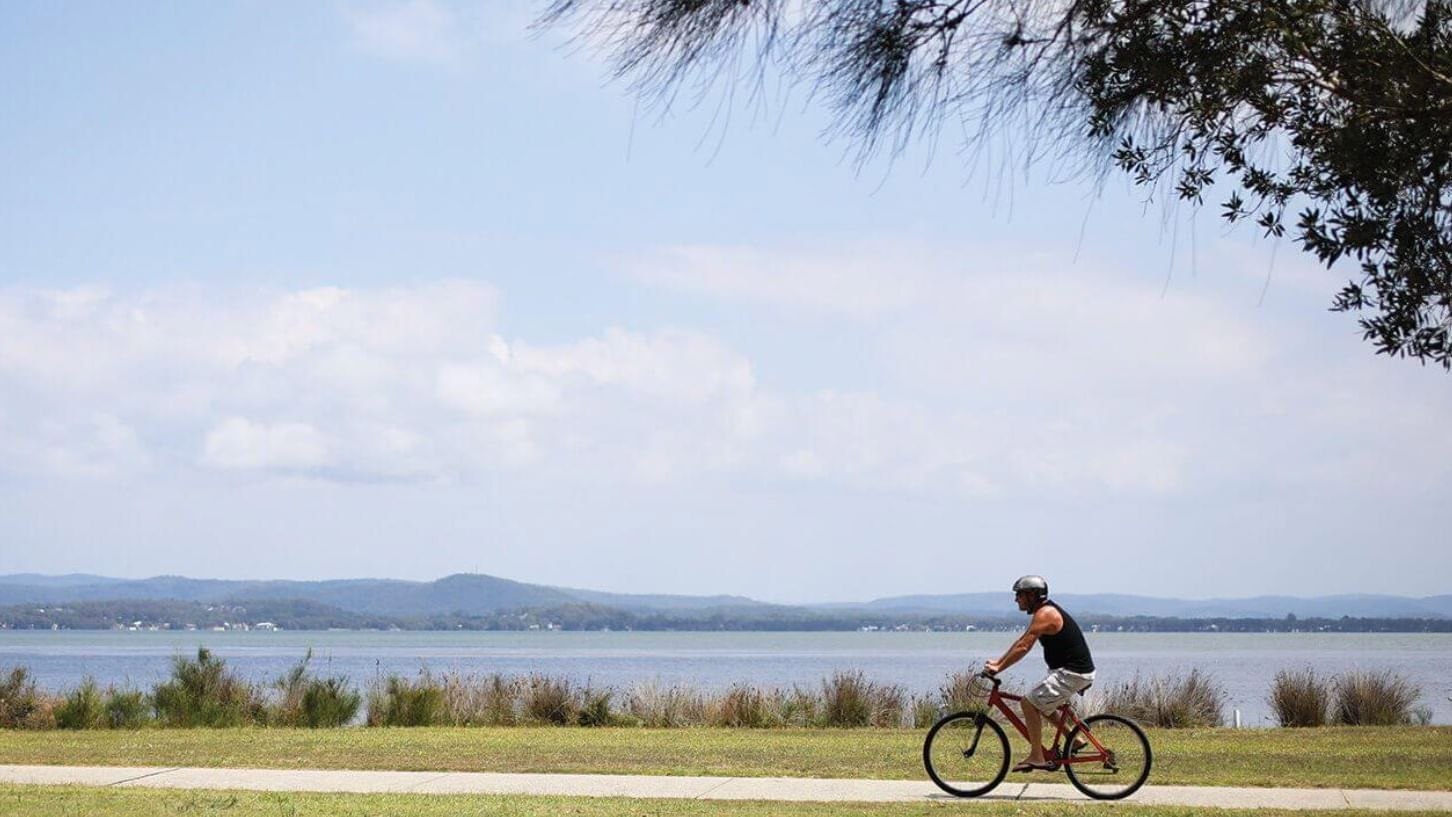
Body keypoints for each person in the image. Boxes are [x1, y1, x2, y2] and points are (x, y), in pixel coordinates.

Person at [983, 575, 1096, 772]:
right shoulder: (1043, 612)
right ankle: (1074, 739)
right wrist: (998, 662)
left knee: (1028, 703)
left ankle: (1037, 756)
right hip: (1070, 672)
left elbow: (1024, 646)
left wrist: (999, 669)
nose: (1016, 599)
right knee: (1043, 705)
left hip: (1072, 673)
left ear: (1032, 595)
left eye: (1019, 594)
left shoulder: (1046, 614)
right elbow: (1021, 641)